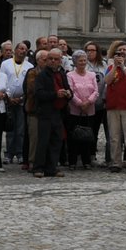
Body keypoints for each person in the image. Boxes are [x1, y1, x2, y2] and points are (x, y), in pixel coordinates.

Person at [31, 47, 69, 178]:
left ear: (60, 61)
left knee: (56, 140)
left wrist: (69, 94)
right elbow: (39, 94)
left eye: (56, 59)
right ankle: (38, 167)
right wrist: (55, 94)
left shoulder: (62, 74)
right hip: (45, 112)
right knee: (43, 141)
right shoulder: (42, 75)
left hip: (58, 113)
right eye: (50, 59)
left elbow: (68, 89)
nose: (53, 61)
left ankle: (52, 167)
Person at [102, 47, 126, 173]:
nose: (121, 53)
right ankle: (116, 162)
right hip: (113, 105)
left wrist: (123, 67)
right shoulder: (110, 68)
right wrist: (115, 67)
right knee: (114, 136)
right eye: (119, 51)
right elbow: (107, 81)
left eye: (124, 50)